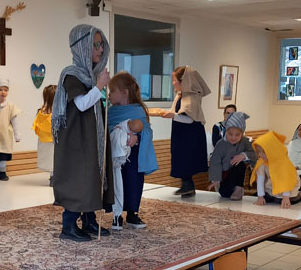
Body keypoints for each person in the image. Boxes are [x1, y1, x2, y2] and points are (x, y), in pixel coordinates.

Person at [52, 24, 114, 242]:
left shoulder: (92, 74)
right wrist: (99, 87)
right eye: (95, 45)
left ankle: (89, 219)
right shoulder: (72, 75)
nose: (100, 49)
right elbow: (81, 104)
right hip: (76, 138)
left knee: (94, 175)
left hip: (92, 136)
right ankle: (68, 225)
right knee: (79, 177)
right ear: (82, 47)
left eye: (101, 44)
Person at [108, 71, 157, 230]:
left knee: (133, 184)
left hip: (133, 155)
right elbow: (106, 129)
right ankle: (116, 214)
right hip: (116, 155)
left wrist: (137, 137)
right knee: (116, 183)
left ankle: (132, 213)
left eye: (112, 91)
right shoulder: (110, 112)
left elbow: (147, 130)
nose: (109, 94)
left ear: (125, 93)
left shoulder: (138, 110)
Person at [158, 65, 210, 198]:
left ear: (183, 81)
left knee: (186, 159)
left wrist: (172, 115)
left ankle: (187, 186)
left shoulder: (191, 97)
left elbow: (190, 119)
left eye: (174, 80)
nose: (173, 83)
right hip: (182, 134)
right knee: (180, 158)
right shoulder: (181, 95)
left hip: (190, 136)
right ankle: (187, 186)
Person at [208, 111, 255, 200]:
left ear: (242, 133)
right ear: (226, 131)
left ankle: (238, 189)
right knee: (225, 193)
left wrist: (243, 155)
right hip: (225, 175)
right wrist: (215, 179)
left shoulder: (245, 141)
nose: (233, 138)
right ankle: (230, 189)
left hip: (237, 173)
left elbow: (253, 154)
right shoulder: (221, 144)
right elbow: (215, 161)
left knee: (240, 164)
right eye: (230, 134)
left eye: (237, 135)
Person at [251, 131, 301, 209]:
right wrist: (260, 197)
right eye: (259, 152)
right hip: (271, 190)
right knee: (264, 198)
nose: (261, 155)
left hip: (287, 190)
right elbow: (260, 180)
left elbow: (286, 181)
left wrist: (286, 197)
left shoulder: (283, 163)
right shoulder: (262, 163)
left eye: (264, 152)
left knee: (290, 201)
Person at [33, 84, 56, 187]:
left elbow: (36, 126)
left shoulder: (41, 111)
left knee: (50, 161)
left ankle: (52, 177)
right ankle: (54, 178)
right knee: (54, 159)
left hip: (44, 140)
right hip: (53, 140)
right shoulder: (56, 111)